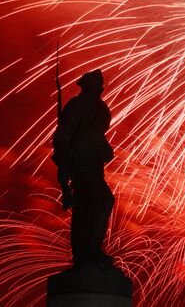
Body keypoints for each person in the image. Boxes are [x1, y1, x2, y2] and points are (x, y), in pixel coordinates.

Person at [52, 69, 115, 270]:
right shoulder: (76, 107)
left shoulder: (100, 109)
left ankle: (90, 251)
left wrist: (104, 149)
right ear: (88, 86)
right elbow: (63, 139)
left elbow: (97, 135)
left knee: (90, 207)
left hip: (94, 166)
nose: (101, 88)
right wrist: (64, 178)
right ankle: (87, 253)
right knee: (97, 203)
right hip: (80, 166)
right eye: (98, 84)